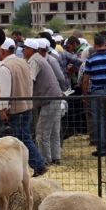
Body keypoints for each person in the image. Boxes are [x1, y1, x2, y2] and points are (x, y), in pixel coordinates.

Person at [0, 38, 47, 176]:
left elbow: (5, 91)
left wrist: (2, 110)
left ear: (2, 50)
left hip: (14, 110)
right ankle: (39, 164)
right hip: (26, 106)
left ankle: (37, 164)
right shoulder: (23, 62)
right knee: (25, 137)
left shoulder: (5, 67)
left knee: (17, 140)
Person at [27, 38, 66, 166]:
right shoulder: (42, 59)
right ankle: (55, 157)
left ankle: (45, 159)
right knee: (54, 130)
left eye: (25, 48)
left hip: (49, 99)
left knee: (42, 131)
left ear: (31, 50)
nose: (22, 51)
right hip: (56, 96)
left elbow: (30, 81)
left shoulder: (34, 60)